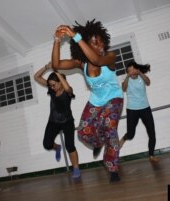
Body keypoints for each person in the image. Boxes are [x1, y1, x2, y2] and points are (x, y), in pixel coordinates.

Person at [51, 19, 123, 182]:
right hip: (96, 101)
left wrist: (75, 36)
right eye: (95, 43)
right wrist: (57, 40)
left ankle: (113, 169)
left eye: (101, 42)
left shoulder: (110, 57)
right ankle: (99, 143)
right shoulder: (81, 63)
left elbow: (97, 61)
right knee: (83, 133)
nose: (101, 46)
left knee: (110, 128)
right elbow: (56, 65)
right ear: (85, 45)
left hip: (114, 98)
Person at [34, 62, 81, 179]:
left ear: (60, 82)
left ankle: (76, 169)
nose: (52, 87)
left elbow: (67, 88)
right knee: (47, 144)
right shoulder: (52, 89)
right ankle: (57, 147)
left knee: (70, 145)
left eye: (54, 85)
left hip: (67, 121)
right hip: (53, 121)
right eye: (50, 85)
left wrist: (57, 73)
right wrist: (46, 67)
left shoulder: (68, 92)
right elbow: (36, 77)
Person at [119, 61, 159, 162]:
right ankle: (124, 138)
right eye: (129, 71)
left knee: (152, 133)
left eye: (133, 69)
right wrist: (127, 77)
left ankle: (151, 155)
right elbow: (123, 88)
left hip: (145, 108)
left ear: (137, 69)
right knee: (131, 135)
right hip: (132, 110)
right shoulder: (127, 80)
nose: (131, 72)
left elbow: (148, 82)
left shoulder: (141, 77)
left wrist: (140, 73)